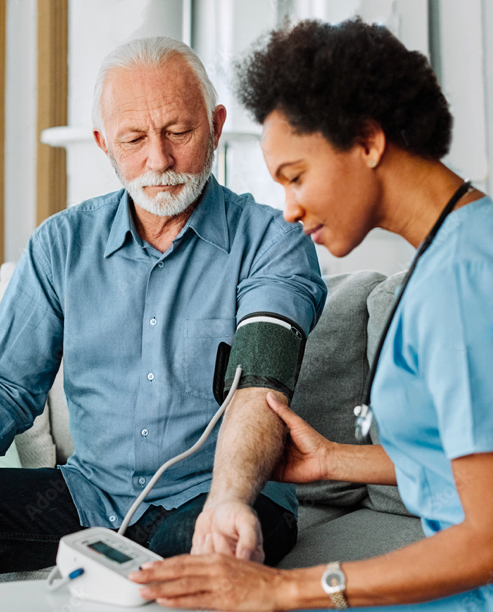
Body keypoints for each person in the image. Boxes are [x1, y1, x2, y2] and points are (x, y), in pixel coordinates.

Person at [0, 36, 326, 602]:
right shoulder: (61, 244)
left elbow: (259, 388)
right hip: (91, 495)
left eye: (179, 132)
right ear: (104, 143)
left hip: (222, 496)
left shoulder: (274, 241)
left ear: (215, 125)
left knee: (186, 550)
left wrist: (227, 499)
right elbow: (3, 386)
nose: (159, 160)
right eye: (133, 140)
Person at [131, 18, 493, 611]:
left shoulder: (463, 281)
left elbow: (487, 538)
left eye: (295, 177)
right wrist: (331, 459)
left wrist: (284, 588)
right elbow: (464, 466)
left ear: (367, 141)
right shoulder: (465, 245)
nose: (290, 210)